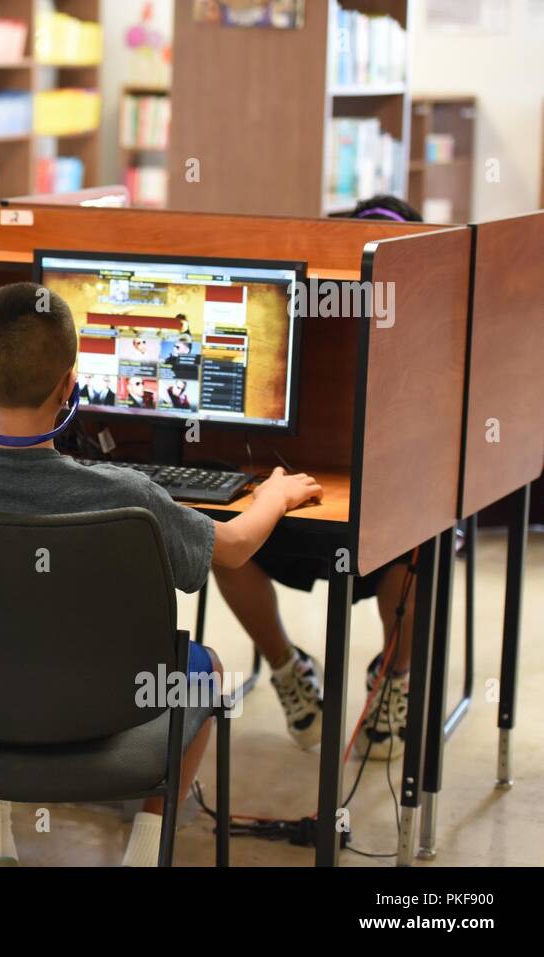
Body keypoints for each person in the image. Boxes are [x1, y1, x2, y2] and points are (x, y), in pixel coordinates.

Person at [0, 282, 321, 866]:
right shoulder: (129, 499)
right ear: (71, 384)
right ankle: (143, 856)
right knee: (209, 669)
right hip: (96, 714)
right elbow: (234, 547)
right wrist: (274, 494)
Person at [212, 194, 424, 760]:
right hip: (299, 485)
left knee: (423, 543)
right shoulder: (298, 305)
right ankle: (288, 668)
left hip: (392, 505)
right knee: (221, 540)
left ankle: (392, 679)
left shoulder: (429, 314)